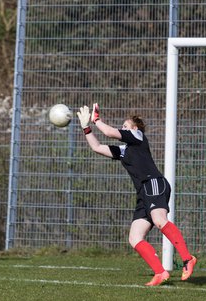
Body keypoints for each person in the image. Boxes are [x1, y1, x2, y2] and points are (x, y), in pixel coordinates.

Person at [77, 104, 197, 286]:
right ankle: (160, 272)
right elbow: (97, 147)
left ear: (134, 128)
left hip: (153, 183)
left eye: (125, 126)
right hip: (143, 192)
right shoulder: (125, 150)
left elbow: (109, 132)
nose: (122, 129)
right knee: (135, 237)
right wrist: (86, 128)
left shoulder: (138, 136)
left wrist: (97, 120)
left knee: (159, 220)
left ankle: (188, 259)